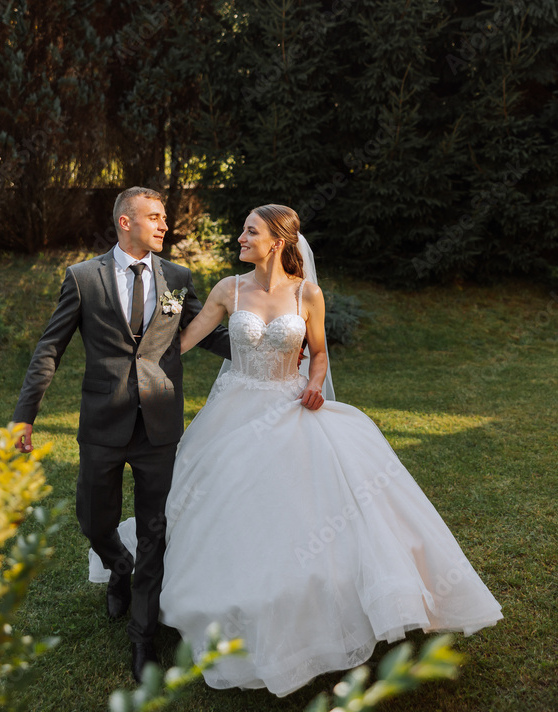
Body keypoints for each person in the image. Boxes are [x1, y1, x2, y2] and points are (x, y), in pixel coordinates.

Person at [107, 203, 502, 697]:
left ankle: (322, 605)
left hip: (293, 404)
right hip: (235, 410)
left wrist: (315, 384)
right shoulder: (228, 289)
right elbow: (183, 339)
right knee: (220, 503)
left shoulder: (308, 294)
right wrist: (135, 349)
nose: (240, 238)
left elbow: (319, 354)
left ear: (276, 241)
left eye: (250, 231)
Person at [11, 186, 230, 682]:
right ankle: (118, 565)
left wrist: (260, 348)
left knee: (157, 531)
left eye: (165, 217)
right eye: (154, 217)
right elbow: (51, 346)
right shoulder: (83, 278)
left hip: (159, 424)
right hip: (103, 423)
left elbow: (204, 330)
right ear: (125, 222)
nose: (164, 224)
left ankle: (143, 637)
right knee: (93, 518)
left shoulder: (177, 277)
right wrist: (26, 415)